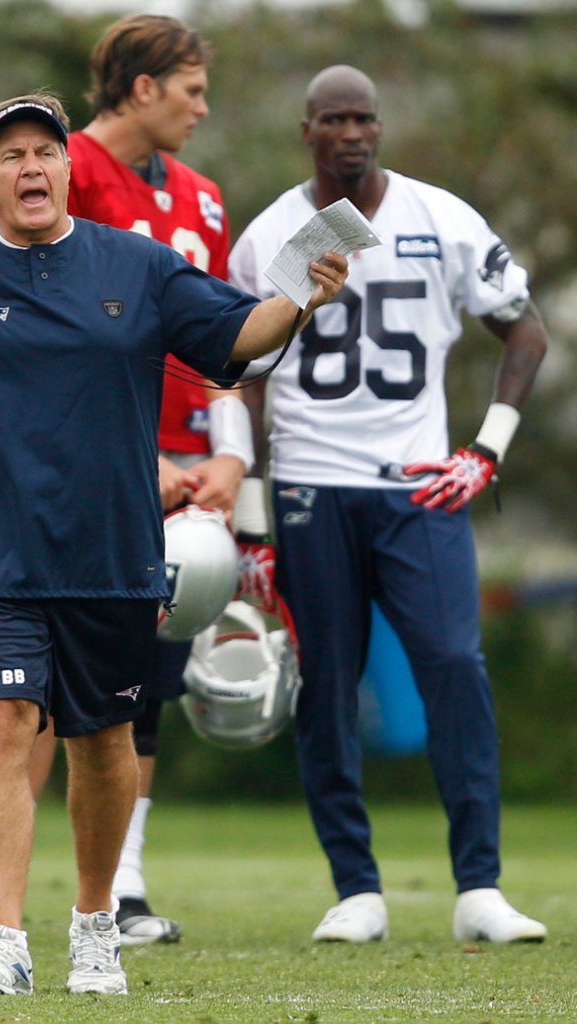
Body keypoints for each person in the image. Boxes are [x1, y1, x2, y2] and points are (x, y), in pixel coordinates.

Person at [0, 93, 347, 996]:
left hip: (112, 553)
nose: (30, 167)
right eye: (10, 154)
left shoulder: (137, 266)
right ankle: (3, 942)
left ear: (69, 169)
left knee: (103, 743)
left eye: (44, 152)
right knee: (1, 725)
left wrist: (300, 296)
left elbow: (236, 340)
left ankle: (96, 927)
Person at [0, 13, 255, 950]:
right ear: (142, 87)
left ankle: (116, 888)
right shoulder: (49, 166)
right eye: (191, 89)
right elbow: (19, 328)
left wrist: (233, 455)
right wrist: (141, 460)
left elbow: (225, 336)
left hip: (189, 471)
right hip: (79, 468)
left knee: (130, 693)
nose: (203, 108)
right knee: (27, 690)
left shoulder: (201, 199)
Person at [229, 64, 549, 945]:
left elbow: (523, 328)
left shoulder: (440, 219)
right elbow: (242, 378)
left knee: (453, 664)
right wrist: (251, 519)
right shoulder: (270, 236)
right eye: (332, 119)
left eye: (362, 117)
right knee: (325, 686)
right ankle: (355, 887)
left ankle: (478, 886)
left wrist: (486, 449)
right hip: (309, 486)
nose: (350, 133)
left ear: (379, 125)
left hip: (417, 486)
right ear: (307, 131)